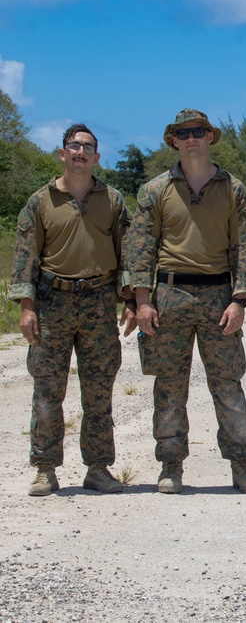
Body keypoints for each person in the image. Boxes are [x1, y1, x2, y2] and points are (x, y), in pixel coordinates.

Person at [127, 108, 246, 494]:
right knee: (169, 387)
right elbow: (140, 249)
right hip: (168, 295)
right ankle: (171, 465)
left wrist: (240, 299)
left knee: (228, 383)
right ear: (174, 140)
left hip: (219, 295)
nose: (191, 139)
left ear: (210, 137)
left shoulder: (233, 189)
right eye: (183, 133)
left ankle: (241, 463)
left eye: (198, 131)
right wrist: (142, 300)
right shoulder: (155, 191)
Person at [9, 124, 135, 496]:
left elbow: (126, 252)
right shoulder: (40, 201)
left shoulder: (112, 200)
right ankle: (45, 469)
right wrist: (26, 307)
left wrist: (130, 299)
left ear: (97, 157)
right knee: (48, 390)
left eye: (88, 147)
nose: (80, 152)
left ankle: (98, 468)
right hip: (52, 303)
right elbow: (25, 257)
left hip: (98, 302)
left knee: (99, 390)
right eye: (74, 146)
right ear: (62, 154)